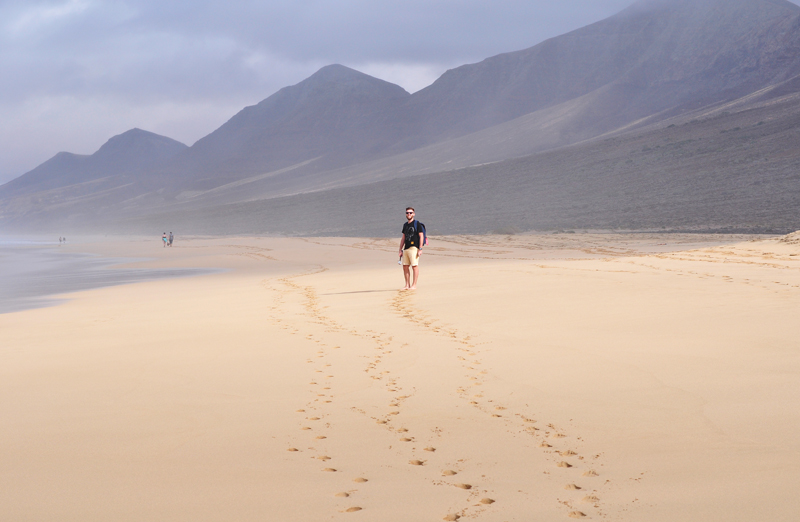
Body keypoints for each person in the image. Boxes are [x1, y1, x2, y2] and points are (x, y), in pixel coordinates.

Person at [398, 207, 424, 290]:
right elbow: (403, 238)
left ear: (414, 214)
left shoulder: (417, 223)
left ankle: (414, 285)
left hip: (414, 248)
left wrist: (420, 248)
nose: (409, 214)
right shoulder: (405, 225)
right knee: (405, 266)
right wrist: (400, 249)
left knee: (414, 266)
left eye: (410, 213)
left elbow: (421, 236)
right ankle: (407, 285)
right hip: (406, 248)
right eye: (407, 213)